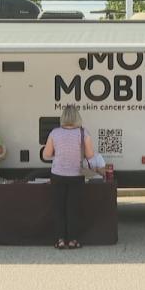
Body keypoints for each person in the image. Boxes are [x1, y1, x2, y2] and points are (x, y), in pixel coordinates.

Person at [43, 105, 94, 250]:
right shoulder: (84, 133)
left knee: (59, 209)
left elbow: (46, 155)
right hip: (76, 175)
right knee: (73, 209)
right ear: (77, 117)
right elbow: (90, 155)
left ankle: (59, 240)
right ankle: (73, 240)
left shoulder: (55, 133)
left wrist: (58, 154)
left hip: (58, 174)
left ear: (63, 117)